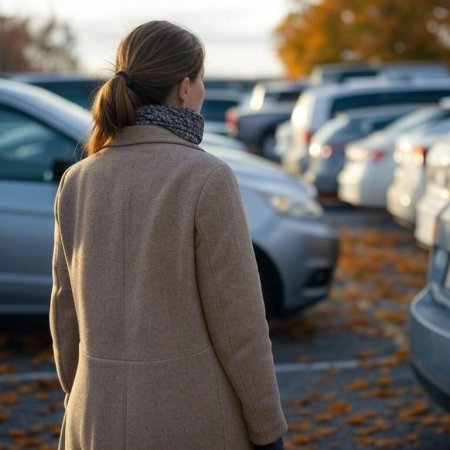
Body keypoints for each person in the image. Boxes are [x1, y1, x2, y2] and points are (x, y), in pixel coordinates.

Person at [50, 20, 287, 450]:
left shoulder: (78, 180)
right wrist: (267, 427)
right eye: (201, 80)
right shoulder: (206, 177)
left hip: (93, 420)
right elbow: (240, 325)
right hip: (191, 419)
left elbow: (66, 316)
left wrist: (80, 397)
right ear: (184, 86)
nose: (202, 91)